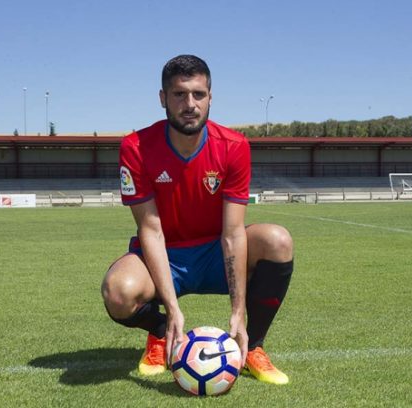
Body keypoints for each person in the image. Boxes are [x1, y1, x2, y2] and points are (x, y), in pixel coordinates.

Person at [101, 55, 294, 385]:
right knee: (117, 292)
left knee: (278, 240)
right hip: (165, 255)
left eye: (198, 94)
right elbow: (151, 229)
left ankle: (252, 348)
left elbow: (233, 233)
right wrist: (173, 311)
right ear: (163, 98)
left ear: (210, 97)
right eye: (179, 95)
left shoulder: (234, 146)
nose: (189, 104)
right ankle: (163, 334)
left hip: (215, 253)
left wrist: (237, 311)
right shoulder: (135, 147)